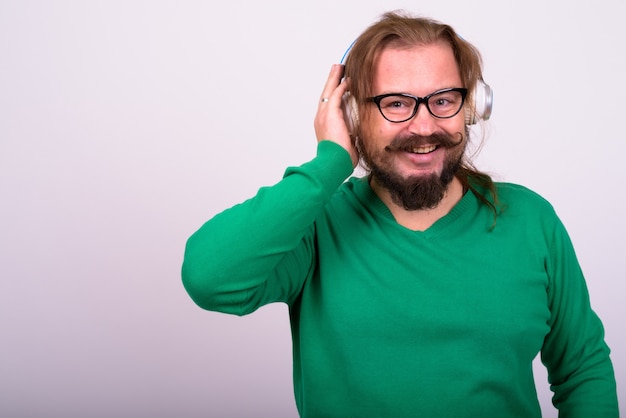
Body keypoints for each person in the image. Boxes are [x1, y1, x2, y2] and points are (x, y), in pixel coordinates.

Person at [181, 10, 618, 417]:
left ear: (471, 106)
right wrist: (327, 164)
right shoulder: (317, 225)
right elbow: (210, 278)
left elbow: (582, 370)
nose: (424, 126)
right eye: (395, 103)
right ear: (353, 114)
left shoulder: (531, 219)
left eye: (443, 100)